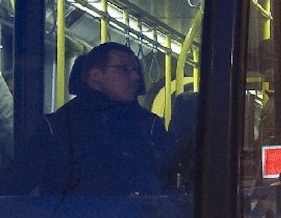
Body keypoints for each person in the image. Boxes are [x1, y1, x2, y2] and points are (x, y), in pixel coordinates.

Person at [33, 43, 175, 195]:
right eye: (125, 69)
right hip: (73, 217)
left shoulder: (150, 127)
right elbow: (16, 184)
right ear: (95, 75)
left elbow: (170, 182)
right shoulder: (56, 128)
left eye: (135, 70)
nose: (136, 77)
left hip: (135, 217)